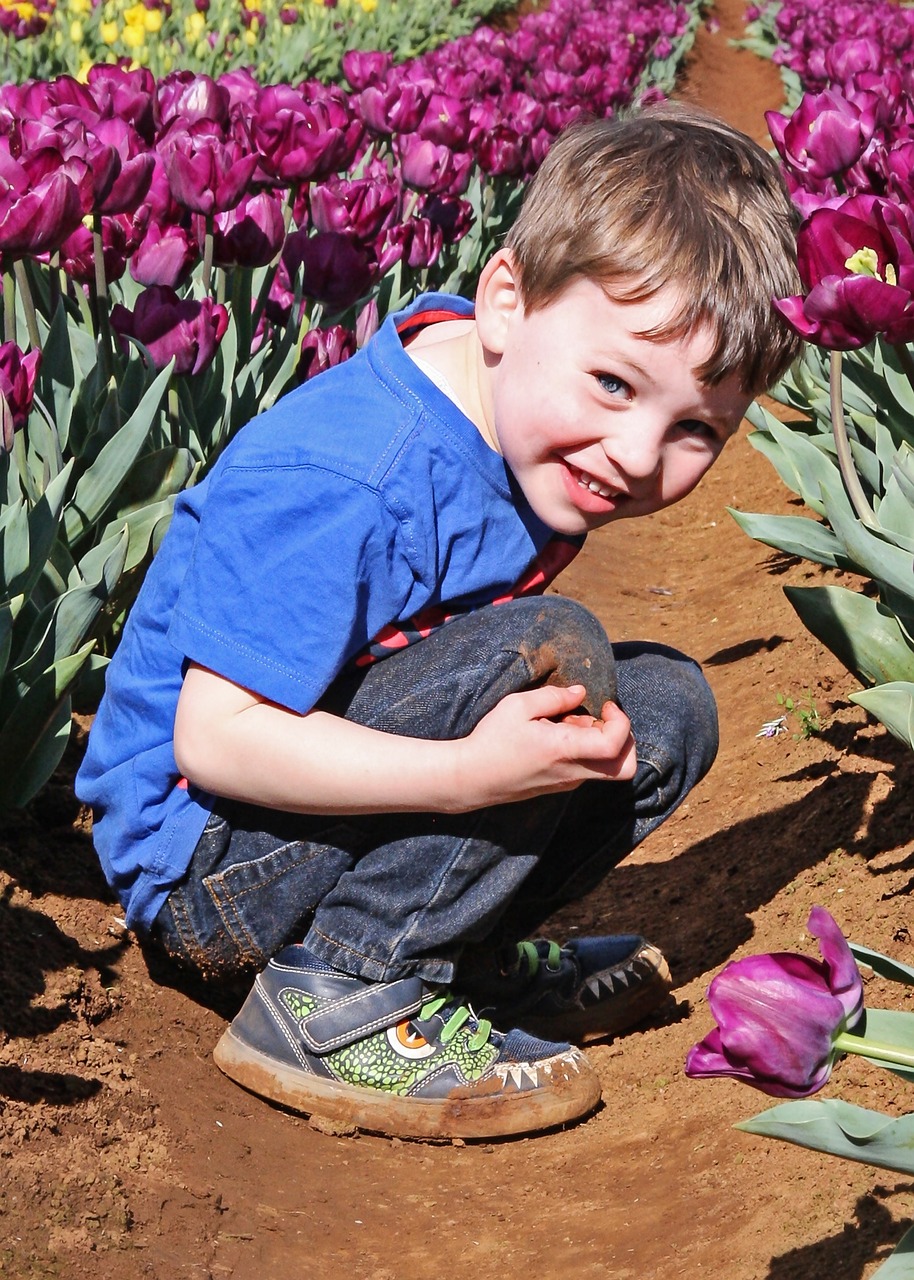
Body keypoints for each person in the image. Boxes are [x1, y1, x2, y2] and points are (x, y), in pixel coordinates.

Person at [76, 102, 802, 1141]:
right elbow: (214, 735)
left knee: (664, 708)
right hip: (207, 862)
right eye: (611, 382)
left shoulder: (528, 434)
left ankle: (449, 955)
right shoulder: (353, 477)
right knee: (551, 651)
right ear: (505, 300)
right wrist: (469, 777)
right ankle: (343, 993)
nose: (639, 457)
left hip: (317, 813)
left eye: (694, 428)